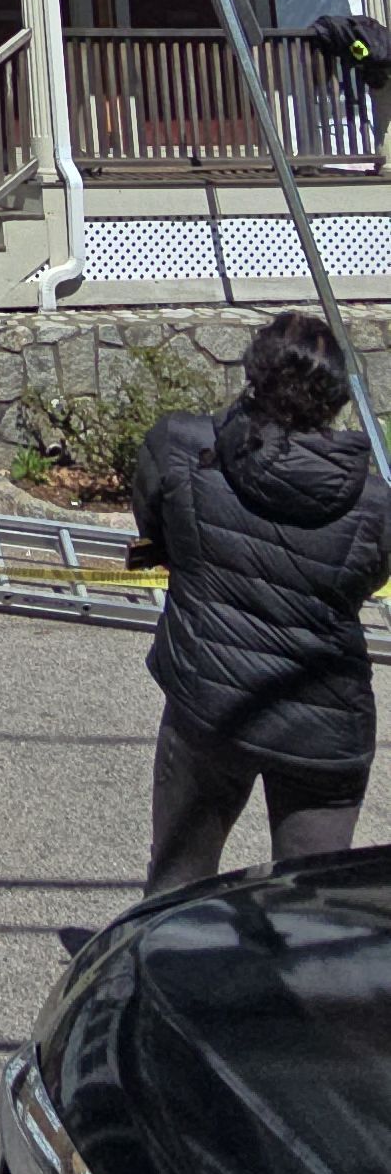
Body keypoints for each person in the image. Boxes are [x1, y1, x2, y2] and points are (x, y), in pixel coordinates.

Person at [129, 309, 391, 892]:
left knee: (178, 886)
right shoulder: (375, 506)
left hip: (209, 706)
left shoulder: (180, 447)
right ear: (335, 397)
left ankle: (167, 979)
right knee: (314, 911)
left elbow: (155, 526)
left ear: (253, 376)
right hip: (325, 727)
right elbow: (367, 579)